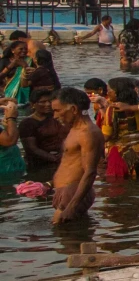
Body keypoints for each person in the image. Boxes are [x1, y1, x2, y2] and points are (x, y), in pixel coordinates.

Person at [50, 88, 102, 224]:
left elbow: (90, 172)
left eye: (57, 110)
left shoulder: (88, 133)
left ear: (73, 109)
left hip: (73, 193)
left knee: (67, 238)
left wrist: (71, 206)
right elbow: (70, 163)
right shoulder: (75, 128)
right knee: (73, 235)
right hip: (67, 192)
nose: (55, 116)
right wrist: (49, 184)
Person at [20, 88, 68, 167]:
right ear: (33, 105)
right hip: (39, 164)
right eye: (43, 102)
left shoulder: (57, 117)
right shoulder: (27, 123)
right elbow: (32, 149)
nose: (48, 104)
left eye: (49, 101)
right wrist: (55, 159)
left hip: (61, 158)